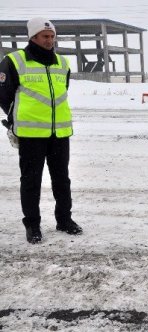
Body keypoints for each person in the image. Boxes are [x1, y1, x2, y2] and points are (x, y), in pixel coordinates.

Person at [0, 17, 82, 244]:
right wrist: (17, 118)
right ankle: (33, 226)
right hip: (31, 134)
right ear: (33, 37)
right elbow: (4, 95)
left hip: (59, 133)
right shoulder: (14, 61)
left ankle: (64, 220)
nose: (50, 40)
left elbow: (62, 90)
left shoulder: (62, 63)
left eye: (52, 36)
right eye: (45, 36)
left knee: (62, 180)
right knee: (31, 181)